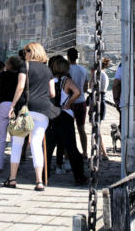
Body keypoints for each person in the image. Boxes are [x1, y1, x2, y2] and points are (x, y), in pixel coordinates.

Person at [5, 42, 58, 191]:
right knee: (36, 144)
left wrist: (12, 105)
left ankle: (12, 179)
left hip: (25, 109)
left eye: (26, 51)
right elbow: (52, 93)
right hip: (43, 111)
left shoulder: (25, 66)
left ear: (31, 52)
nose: (24, 54)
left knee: (17, 142)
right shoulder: (48, 70)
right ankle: (39, 181)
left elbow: (21, 86)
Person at [47, 56, 87, 185]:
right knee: (71, 148)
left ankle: (44, 176)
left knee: (48, 147)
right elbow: (77, 92)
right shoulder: (67, 81)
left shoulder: (50, 80)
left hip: (52, 115)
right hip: (65, 115)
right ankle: (79, 176)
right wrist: (68, 103)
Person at [0, 55, 22, 172]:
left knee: (0, 137)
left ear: (9, 65)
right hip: (15, 106)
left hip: (2, 105)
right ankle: (15, 165)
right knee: (15, 138)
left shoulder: (3, 74)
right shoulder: (21, 76)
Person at [66, 47, 89, 157]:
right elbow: (85, 88)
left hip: (69, 102)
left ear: (68, 57)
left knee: (68, 130)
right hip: (81, 101)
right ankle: (84, 152)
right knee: (81, 129)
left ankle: (69, 153)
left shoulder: (66, 70)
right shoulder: (83, 70)